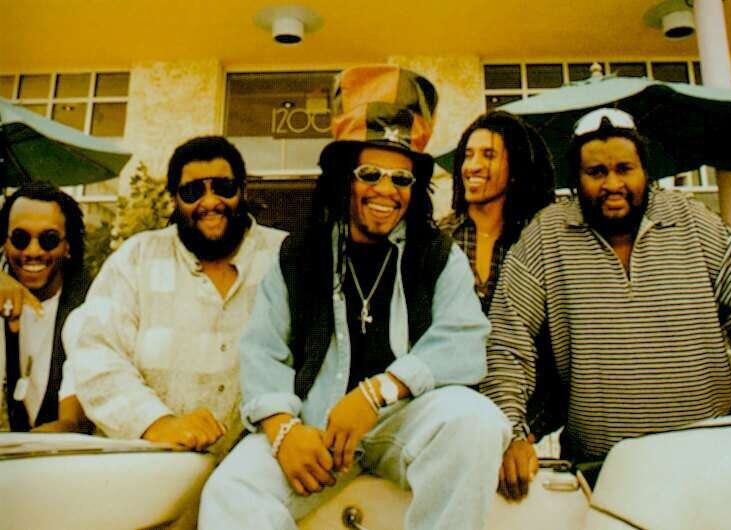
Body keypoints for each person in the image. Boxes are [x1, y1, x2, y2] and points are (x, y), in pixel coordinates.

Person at [199, 65, 510, 530]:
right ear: (344, 177)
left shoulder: (437, 255)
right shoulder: (299, 254)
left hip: (405, 422)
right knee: (230, 490)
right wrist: (283, 430)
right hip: (316, 428)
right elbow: (263, 351)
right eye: (370, 174)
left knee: (476, 421)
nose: (386, 190)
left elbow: (464, 341)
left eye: (401, 179)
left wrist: (378, 392)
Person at [482, 108, 731, 501]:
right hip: (603, 474)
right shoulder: (547, 235)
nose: (613, 184)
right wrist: (509, 432)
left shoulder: (691, 220)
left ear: (645, 172)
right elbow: (507, 339)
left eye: (625, 169)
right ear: (576, 178)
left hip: (715, 458)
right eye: (596, 172)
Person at [65, 136, 286, 458]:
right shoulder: (137, 257)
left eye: (223, 187)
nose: (210, 202)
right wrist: (157, 423)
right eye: (193, 191)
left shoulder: (284, 256)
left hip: (258, 468)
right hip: (151, 466)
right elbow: (96, 352)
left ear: (243, 190)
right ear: (174, 199)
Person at [438, 110, 555, 312]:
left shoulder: (533, 240)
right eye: (468, 155)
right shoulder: (440, 236)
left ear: (515, 167)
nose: (473, 166)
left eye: (489, 155)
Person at [0, 181, 92, 433]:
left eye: (48, 239)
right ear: (5, 243)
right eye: (20, 238)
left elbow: (75, 421)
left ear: (68, 246)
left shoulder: (89, 307)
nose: (33, 251)